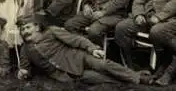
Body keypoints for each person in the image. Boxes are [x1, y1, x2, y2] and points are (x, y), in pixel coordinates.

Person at [16, 14, 152, 85]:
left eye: (28, 27)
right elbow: (25, 68)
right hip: (65, 75)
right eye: (22, 30)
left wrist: (92, 49)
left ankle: (139, 79)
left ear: (37, 27)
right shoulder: (25, 49)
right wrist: (23, 73)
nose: (25, 32)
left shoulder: (52, 31)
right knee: (98, 78)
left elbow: (76, 40)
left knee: (103, 64)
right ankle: (135, 78)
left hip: (78, 57)